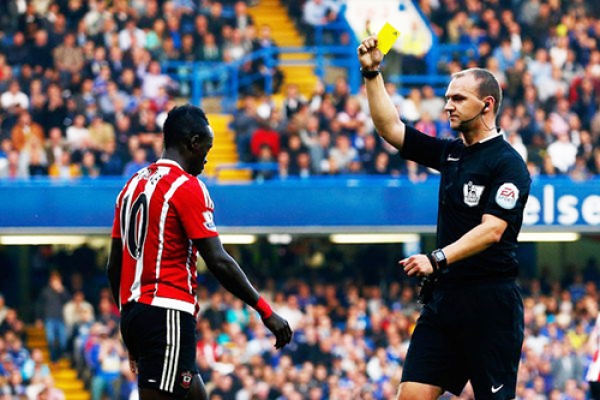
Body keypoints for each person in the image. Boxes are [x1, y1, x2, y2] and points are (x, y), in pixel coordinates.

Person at [357, 36, 531, 400]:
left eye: (457, 99)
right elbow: (392, 129)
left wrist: (436, 258)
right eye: (448, 97)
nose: (447, 105)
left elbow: (492, 231)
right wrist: (372, 73)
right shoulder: (451, 152)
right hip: (445, 300)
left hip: (490, 305)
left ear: (487, 105)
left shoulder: (508, 163)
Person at [107, 104, 292, 400]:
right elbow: (218, 260)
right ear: (193, 143)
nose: (207, 158)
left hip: (134, 312)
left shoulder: (131, 186)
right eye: (207, 148)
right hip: (166, 312)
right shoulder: (187, 186)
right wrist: (265, 311)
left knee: (196, 394)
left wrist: (129, 324)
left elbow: (113, 267)